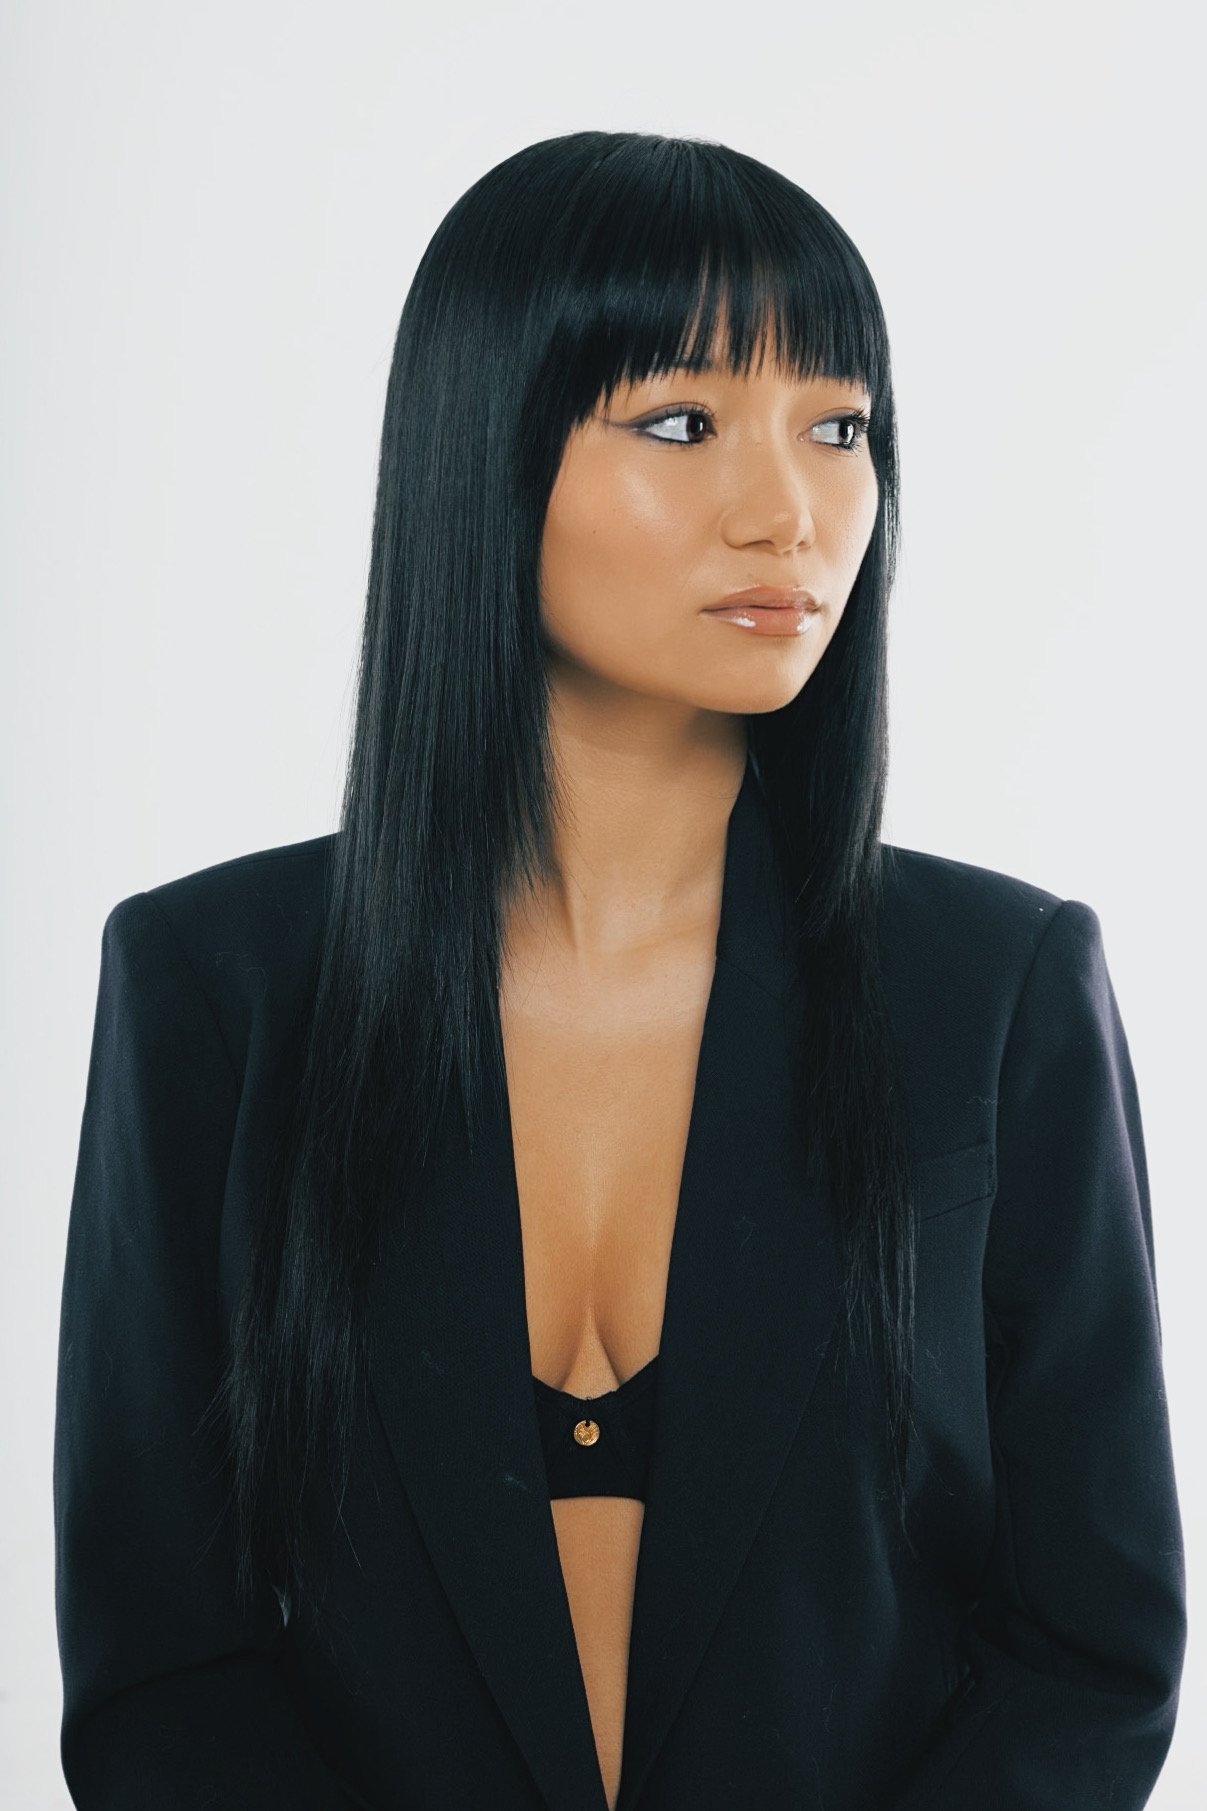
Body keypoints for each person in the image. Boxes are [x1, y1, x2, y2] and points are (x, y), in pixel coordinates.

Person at [53, 130, 1186, 1811]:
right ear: (486, 455)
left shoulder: (995, 985)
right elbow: (160, 1663)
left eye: (842, 425)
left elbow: (1094, 1652)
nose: (790, 509)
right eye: (681, 421)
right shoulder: (213, 987)